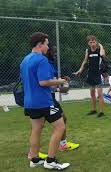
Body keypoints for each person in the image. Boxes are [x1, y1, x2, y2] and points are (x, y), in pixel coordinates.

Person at [20, 32, 70, 170]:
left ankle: (35, 159)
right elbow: (43, 82)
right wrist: (61, 81)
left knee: (36, 129)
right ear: (40, 44)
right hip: (44, 102)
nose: (48, 47)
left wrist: (56, 87)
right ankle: (51, 160)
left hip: (30, 102)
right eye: (47, 44)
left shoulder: (25, 60)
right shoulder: (41, 60)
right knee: (60, 127)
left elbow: (35, 82)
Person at [45, 45, 80, 151]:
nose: (55, 54)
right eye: (53, 52)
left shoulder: (50, 64)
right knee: (40, 125)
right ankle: (34, 153)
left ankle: (63, 144)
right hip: (46, 99)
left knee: (62, 119)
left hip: (49, 97)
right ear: (47, 51)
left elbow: (51, 82)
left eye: (56, 52)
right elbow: (45, 82)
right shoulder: (44, 63)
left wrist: (60, 85)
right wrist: (60, 84)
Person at [73, 35, 106, 117]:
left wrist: (101, 46)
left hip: (98, 74)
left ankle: (101, 112)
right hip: (91, 74)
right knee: (92, 93)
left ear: (96, 42)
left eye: (94, 42)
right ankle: (94, 110)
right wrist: (79, 70)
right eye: (90, 42)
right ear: (88, 43)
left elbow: (102, 55)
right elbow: (84, 61)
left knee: (100, 94)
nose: (92, 44)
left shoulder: (99, 50)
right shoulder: (88, 51)